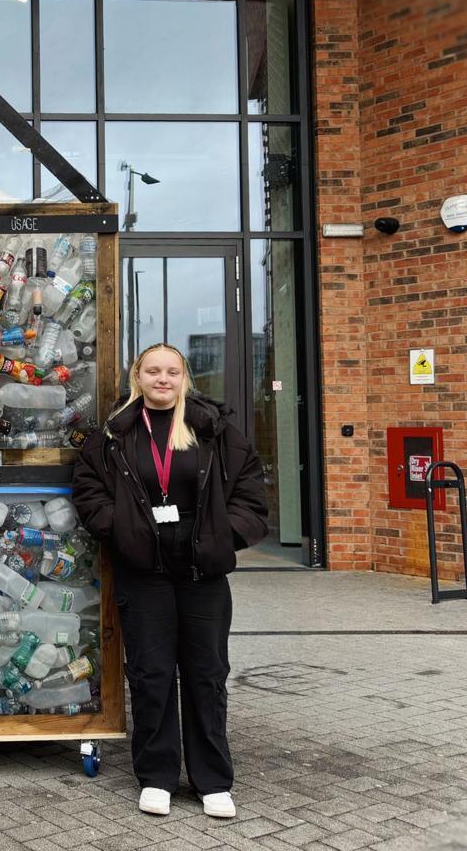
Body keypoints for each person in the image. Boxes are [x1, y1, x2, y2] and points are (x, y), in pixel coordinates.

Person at [72, 343, 267, 819]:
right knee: (152, 674)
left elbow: (251, 492)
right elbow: (88, 488)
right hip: (145, 573)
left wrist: (223, 538)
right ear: (136, 376)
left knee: (206, 675)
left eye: (172, 372)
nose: (163, 379)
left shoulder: (214, 431)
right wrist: (120, 531)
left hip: (203, 572)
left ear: (185, 378)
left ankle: (213, 780)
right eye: (153, 371)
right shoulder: (115, 435)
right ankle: (157, 776)